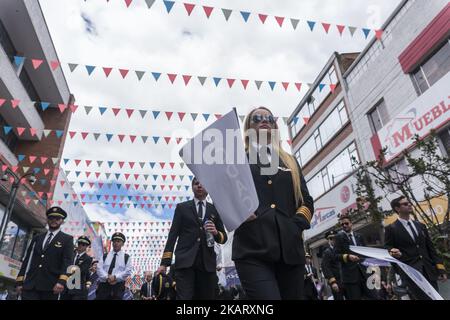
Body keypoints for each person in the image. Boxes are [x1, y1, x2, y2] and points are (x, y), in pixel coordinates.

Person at [232, 107, 314, 300]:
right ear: (248, 127)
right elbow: (224, 199)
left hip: (290, 250)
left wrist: (294, 226)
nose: (264, 120)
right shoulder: (237, 160)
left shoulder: (290, 161)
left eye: (269, 117)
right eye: (257, 118)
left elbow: (306, 202)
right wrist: (238, 211)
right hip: (252, 249)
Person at [156, 177, 227, 300]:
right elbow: (172, 236)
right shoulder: (182, 208)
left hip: (207, 264)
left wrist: (216, 232)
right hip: (185, 262)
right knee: (185, 297)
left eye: (203, 183)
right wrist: (164, 263)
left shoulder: (215, 209)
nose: (199, 185)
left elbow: (223, 238)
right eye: (196, 183)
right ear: (192, 187)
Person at [385, 196, 447, 299]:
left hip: (428, 270)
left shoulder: (420, 225)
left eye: (409, 202)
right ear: (397, 209)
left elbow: (431, 249)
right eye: (405, 204)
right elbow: (388, 248)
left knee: (436, 297)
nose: (409, 204)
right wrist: (393, 251)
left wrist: (441, 269)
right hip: (412, 274)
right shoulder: (391, 229)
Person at [16, 207, 73, 300]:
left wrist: (62, 281)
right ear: (47, 220)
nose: (54, 220)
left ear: (62, 221)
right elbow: (27, 260)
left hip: (51, 287)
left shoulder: (67, 239)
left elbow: (68, 262)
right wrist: (19, 281)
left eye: (57, 218)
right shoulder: (37, 238)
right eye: (51, 218)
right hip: (30, 285)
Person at [334, 214, 376, 300]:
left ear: (351, 223)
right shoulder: (338, 237)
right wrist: (348, 256)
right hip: (350, 277)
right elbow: (335, 255)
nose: (344, 225)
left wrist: (373, 272)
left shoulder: (359, 236)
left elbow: (366, 254)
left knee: (373, 296)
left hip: (365, 274)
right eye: (342, 224)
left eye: (346, 223)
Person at [96, 232, 133, 300]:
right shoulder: (105, 255)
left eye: (118, 241)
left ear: (122, 244)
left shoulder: (126, 257)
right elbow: (99, 268)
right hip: (104, 285)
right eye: (114, 241)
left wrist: (115, 277)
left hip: (118, 287)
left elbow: (128, 271)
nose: (116, 243)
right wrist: (107, 277)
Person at [62, 236, 93, 300]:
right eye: (79, 243)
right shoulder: (70, 254)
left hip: (78, 289)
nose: (80, 246)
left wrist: (69, 269)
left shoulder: (88, 259)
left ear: (86, 246)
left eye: (83, 244)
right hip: (66, 287)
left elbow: (80, 270)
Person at [321, 230, 344, 300]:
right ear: (328, 240)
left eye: (334, 238)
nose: (333, 240)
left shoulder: (341, 249)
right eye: (330, 238)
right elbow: (325, 268)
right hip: (336, 282)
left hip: (346, 280)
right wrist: (333, 282)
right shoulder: (327, 252)